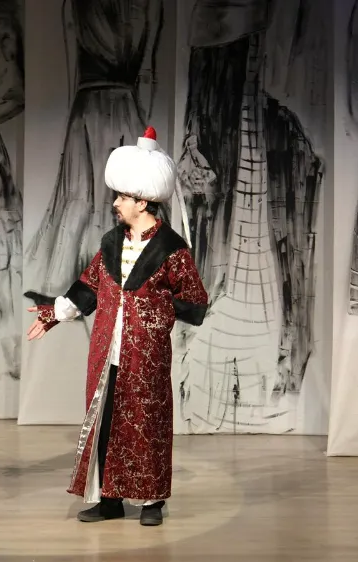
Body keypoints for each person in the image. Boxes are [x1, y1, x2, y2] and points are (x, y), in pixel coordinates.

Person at [26, 127, 208, 526]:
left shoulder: (172, 249)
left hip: (146, 356)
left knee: (146, 424)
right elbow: (87, 288)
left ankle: (151, 501)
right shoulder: (111, 242)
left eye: (122, 197)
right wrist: (53, 313)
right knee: (107, 423)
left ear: (142, 202)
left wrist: (156, 310)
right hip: (107, 352)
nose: (115, 203)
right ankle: (109, 500)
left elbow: (195, 303)